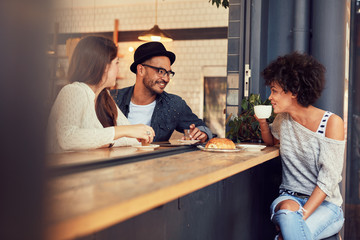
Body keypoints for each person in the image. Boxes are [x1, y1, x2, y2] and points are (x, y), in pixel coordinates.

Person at [256, 52, 345, 240]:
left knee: (290, 228)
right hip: (288, 199)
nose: (270, 97)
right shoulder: (283, 120)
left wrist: (301, 217)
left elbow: (328, 181)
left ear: (294, 92)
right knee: (288, 212)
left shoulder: (331, 123)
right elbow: (272, 142)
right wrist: (263, 123)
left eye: (274, 91)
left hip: (326, 206)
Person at [47, 36, 155, 153]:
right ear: (103, 66)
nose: (118, 69)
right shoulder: (73, 91)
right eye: (116, 63)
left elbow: (133, 139)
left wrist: (120, 135)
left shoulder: (105, 97)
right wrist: (121, 132)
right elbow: (67, 138)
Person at [110, 41, 212, 142]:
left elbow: (203, 128)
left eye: (168, 73)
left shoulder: (173, 104)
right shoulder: (111, 99)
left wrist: (202, 134)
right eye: (161, 71)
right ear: (141, 70)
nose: (166, 79)